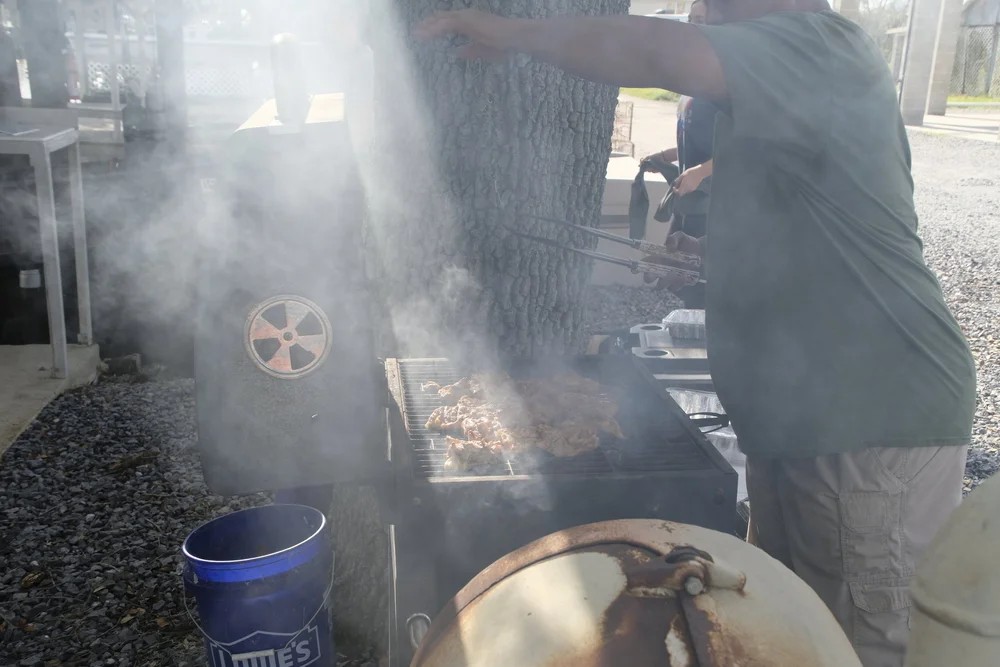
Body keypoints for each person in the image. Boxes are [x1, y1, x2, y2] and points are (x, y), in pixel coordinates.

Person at [415, 5, 976, 666]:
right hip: (799, 426)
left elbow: (653, 48)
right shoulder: (782, 78)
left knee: (860, 644)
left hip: (871, 425)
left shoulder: (821, 45)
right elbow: (811, 234)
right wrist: (712, 258)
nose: (698, 8)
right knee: (789, 633)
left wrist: (515, 33)